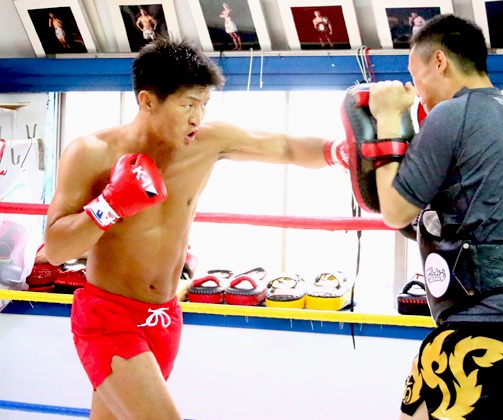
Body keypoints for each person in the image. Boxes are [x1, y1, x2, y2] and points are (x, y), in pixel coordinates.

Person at [43, 37, 346, 419]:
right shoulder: (91, 153)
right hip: (109, 317)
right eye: (187, 105)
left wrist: (339, 152)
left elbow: (284, 146)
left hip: (165, 315)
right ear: (147, 101)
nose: (197, 117)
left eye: (204, 104)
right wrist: (110, 206)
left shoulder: (207, 142)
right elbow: (56, 249)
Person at [360, 14, 503, 419]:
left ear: (439, 61)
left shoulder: (451, 115)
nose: (418, 94)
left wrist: (388, 120)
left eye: (417, 78)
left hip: (483, 336)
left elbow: (395, 211)